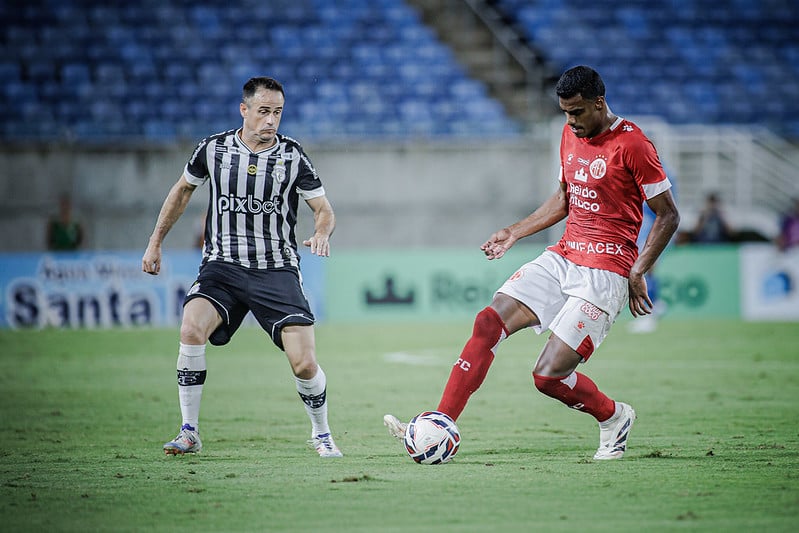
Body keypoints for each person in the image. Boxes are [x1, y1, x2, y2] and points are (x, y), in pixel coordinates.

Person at [384, 66, 680, 460]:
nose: (570, 122)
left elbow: (668, 214)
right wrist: (515, 231)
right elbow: (564, 198)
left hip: (606, 271)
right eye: (564, 113)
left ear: (599, 102)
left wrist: (639, 269)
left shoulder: (634, 145)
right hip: (563, 255)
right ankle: (441, 422)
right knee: (488, 322)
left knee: (547, 376)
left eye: (576, 112)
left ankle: (613, 417)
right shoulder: (569, 134)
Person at [142, 76, 342, 458]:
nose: (271, 121)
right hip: (223, 267)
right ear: (244, 110)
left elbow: (324, 210)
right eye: (264, 112)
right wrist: (155, 243)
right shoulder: (213, 150)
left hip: (276, 268)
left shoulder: (292, 156)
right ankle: (189, 431)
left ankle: (321, 433)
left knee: (303, 363)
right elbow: (182, 191)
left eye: (278, 113)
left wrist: (322, 233)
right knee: (190, 326)